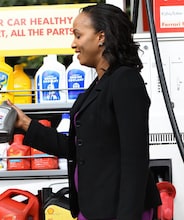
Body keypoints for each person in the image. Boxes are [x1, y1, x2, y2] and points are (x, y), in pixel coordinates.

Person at [8, 4, 161, 220]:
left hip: (120, 210)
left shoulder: (125, 80)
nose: (73, 43)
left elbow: (134, 160)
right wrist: (25, 124)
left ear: (101, 37)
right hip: (94, 208)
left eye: (78, 35)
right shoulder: (98, 86)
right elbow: (75, 148)